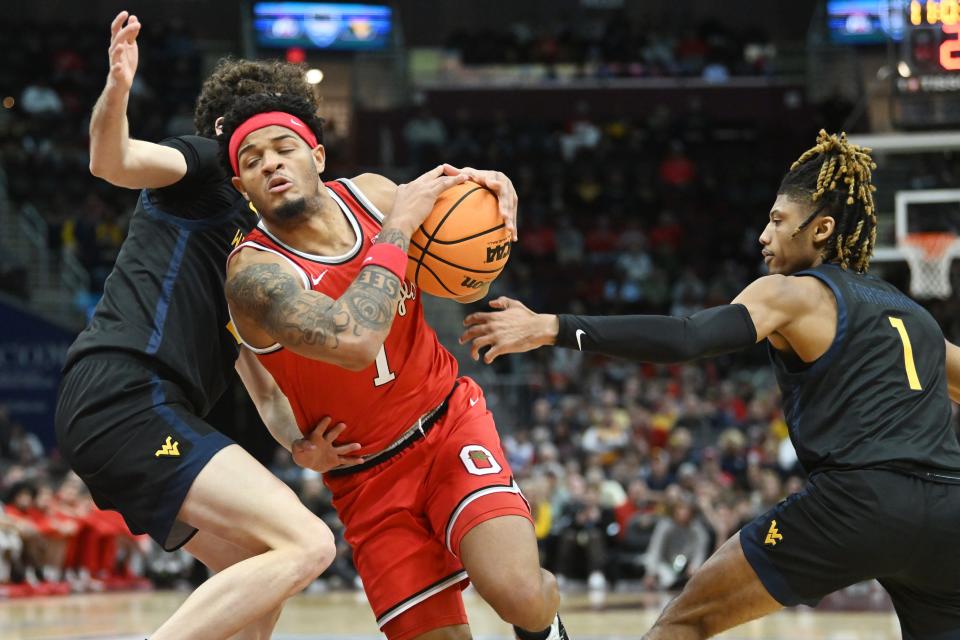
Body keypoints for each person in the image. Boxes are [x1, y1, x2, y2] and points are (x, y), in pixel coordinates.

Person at [460, 130, 960, 640]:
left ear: (822, 228)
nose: (764, 236)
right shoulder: (916, 316)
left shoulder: (796, 294)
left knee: (688, 620)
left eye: (777, 220)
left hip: (861, 500)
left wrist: (552, 327)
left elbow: (687, 337)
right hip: (949, 514)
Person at [55, 13, 360, 640]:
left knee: (256, 575)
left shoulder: (255, 251)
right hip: (128, 395)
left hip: (135, 407)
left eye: (283, 143)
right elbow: (112, 160)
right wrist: (117, 89)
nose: (267, 157)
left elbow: (262, 381)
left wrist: (302, 447)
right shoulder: (203, 169)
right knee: (309, 544)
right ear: (227, 140)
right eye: (251, 144)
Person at [219, 92, 566, 640]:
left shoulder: (375, 196)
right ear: (242, 188)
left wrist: (495, 188)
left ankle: (547, 631)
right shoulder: (255, 277)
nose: (271, 164)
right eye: (252, 160)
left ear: (319, 156)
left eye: (284, 148)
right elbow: (340, 347)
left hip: (447, 424)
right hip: (366, 477)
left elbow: (467, 203)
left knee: (519, 595)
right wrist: (294, 441)